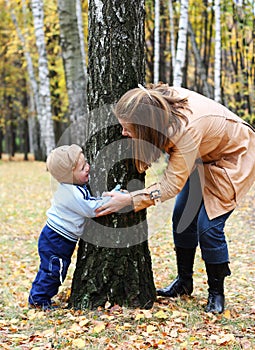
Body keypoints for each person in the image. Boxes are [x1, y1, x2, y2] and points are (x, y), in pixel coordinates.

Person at [96, 82, 255, 313]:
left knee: (208, 227)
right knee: (182, 218)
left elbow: (171, 185)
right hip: (200, 157)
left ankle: (216, 293)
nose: (122, 133)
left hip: (231, 158)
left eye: (128, 128)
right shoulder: (153, 104)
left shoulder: (185, 131)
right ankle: (184, 282)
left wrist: (130, 200)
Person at [28, 144, 111, 310]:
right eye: (82, 168)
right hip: (56, 239)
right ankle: (39, 299)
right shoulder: (70, 193)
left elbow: (89, 200)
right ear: (68, 175)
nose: (88, 167)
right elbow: (90, 209)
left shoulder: (76, 187)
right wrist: (112, 201)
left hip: (59, 238)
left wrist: (105, 196)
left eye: (86, 162)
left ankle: (38, 295)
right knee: (54, 271)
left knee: (53, 269)